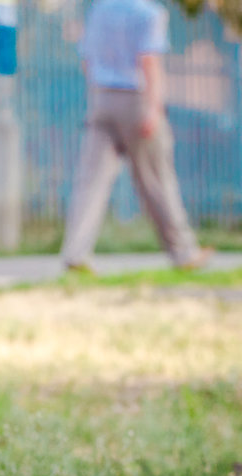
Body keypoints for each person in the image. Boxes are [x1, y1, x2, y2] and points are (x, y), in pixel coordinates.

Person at [60, 0, 212, 273]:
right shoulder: (150, 13)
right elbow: (149, 62)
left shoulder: (100, 9)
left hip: (102, 97)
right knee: (156, 179)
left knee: (90, 182)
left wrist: (101, 94)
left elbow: (87, 59)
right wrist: (154, 109)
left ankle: (75, 253)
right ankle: (184, 252)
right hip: (136, 99)